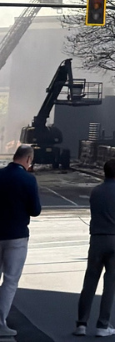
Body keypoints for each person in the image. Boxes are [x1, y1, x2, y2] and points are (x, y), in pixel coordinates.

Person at [74, 157, 115, 337]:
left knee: (90, 281)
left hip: (97, 239)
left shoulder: (96, 192)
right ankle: (103, 325)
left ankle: (81, 324)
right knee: (110, 284)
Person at [0, 145, 42, 338]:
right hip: (16, 236)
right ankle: (1, 322)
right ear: (28, 159)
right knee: (10, 280)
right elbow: (35, 210)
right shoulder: (28, 179)